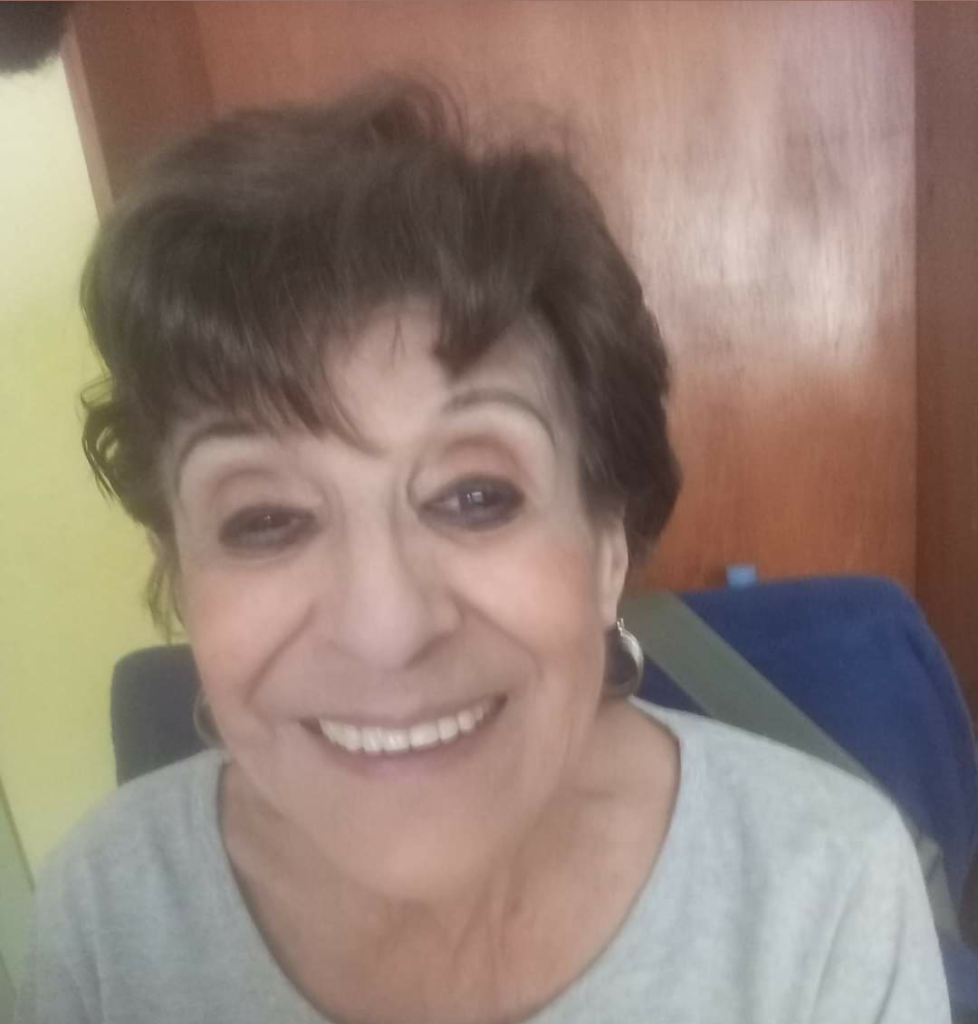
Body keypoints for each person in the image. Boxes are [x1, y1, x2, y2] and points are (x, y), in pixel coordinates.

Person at [16, 80, 950, 1024]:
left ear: (607, 549)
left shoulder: (827, 891)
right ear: (180, 577)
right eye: (266, 519)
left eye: (475, 497)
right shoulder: (107, 914)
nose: (385, 629)